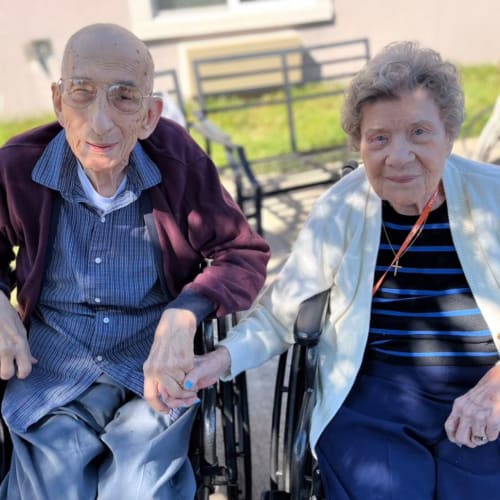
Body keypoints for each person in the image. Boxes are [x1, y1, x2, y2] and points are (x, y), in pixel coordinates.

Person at [184, 41, 500, 499]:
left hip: (483, 384)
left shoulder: (491, 197)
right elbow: (281, 315)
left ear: (449, 135)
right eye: (379, 138)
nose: (398, 156)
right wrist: (218, 361)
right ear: (359, 144)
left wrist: (494, 387)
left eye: (419, 132)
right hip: (377, 396)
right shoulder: (343, 206)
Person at [0, 23, 269, 499]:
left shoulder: (177, 163)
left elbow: (241, 253)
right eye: (82, 94)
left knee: (140, 490)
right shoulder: (17, 166)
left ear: (149, 115)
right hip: (52, 371)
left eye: (124, 98)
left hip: (151, 373)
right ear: (59, 102)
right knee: (51, 487)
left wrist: (187, 311)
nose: (99, 122)